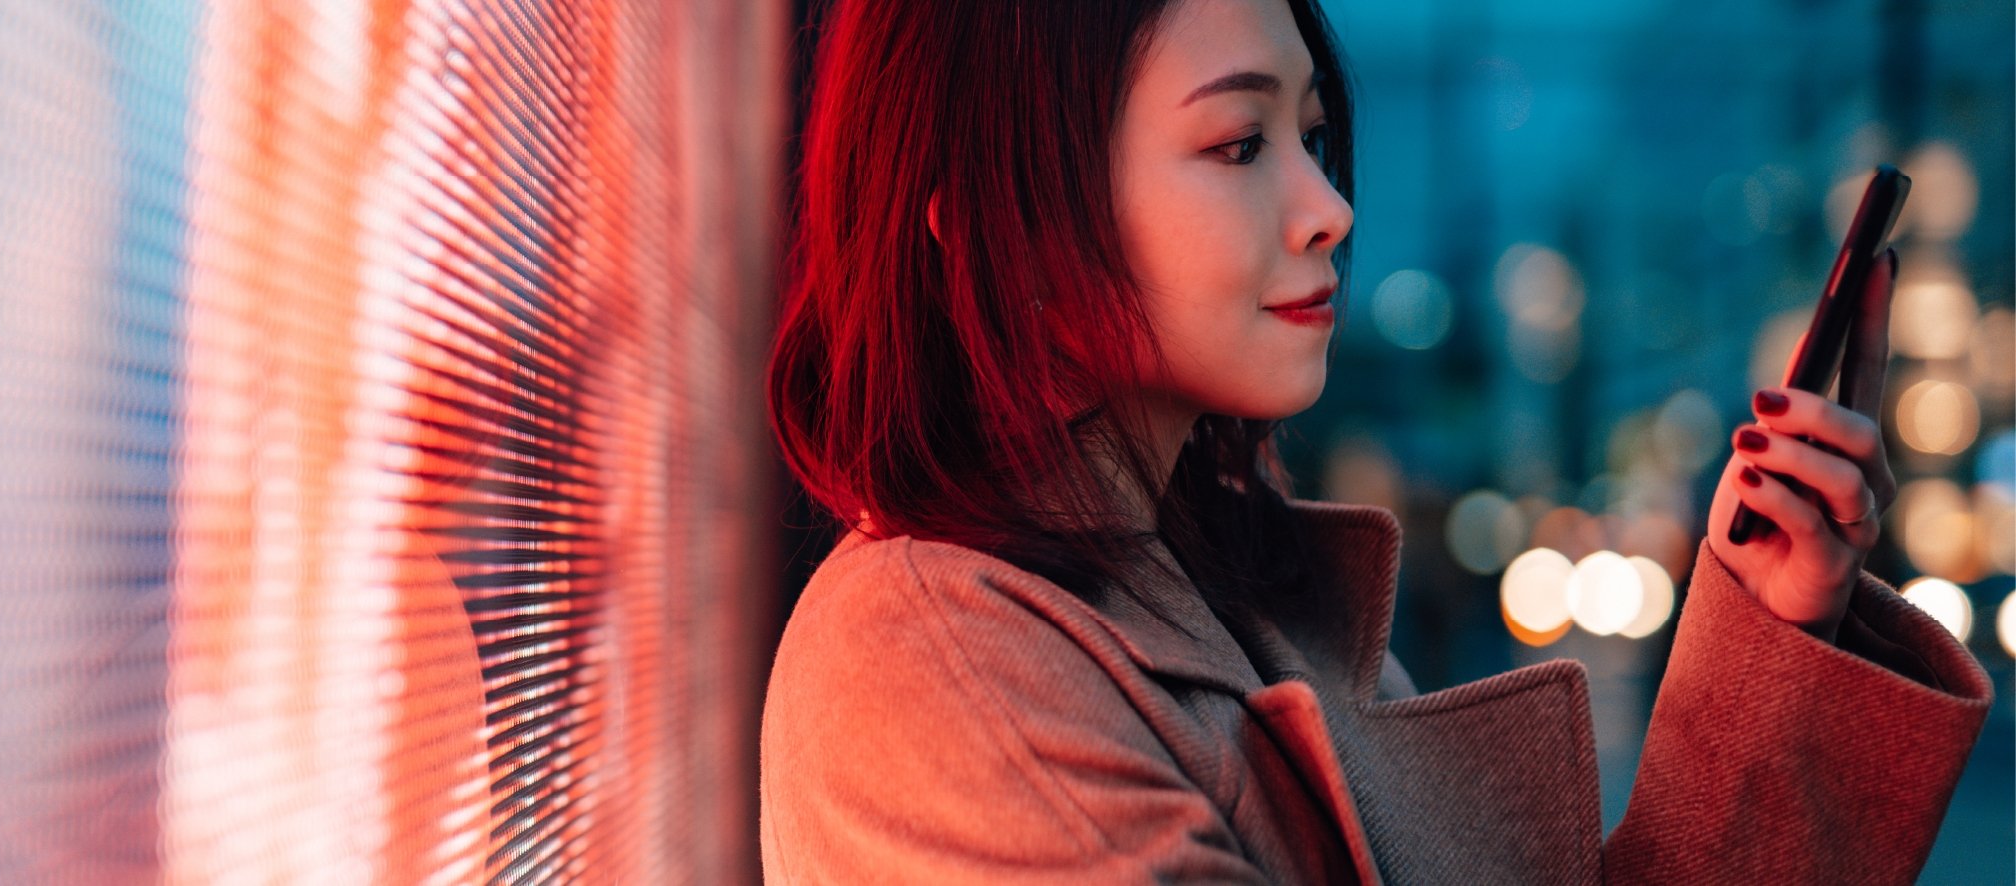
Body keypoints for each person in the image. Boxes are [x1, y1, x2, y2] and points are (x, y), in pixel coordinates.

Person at [757, 0, 1993, 882]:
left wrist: (1774, 625)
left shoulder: (1245, 609)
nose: (1328, 208)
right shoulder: (927, 653)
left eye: (1307, 134)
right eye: (1238, 145)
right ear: (997, 224)